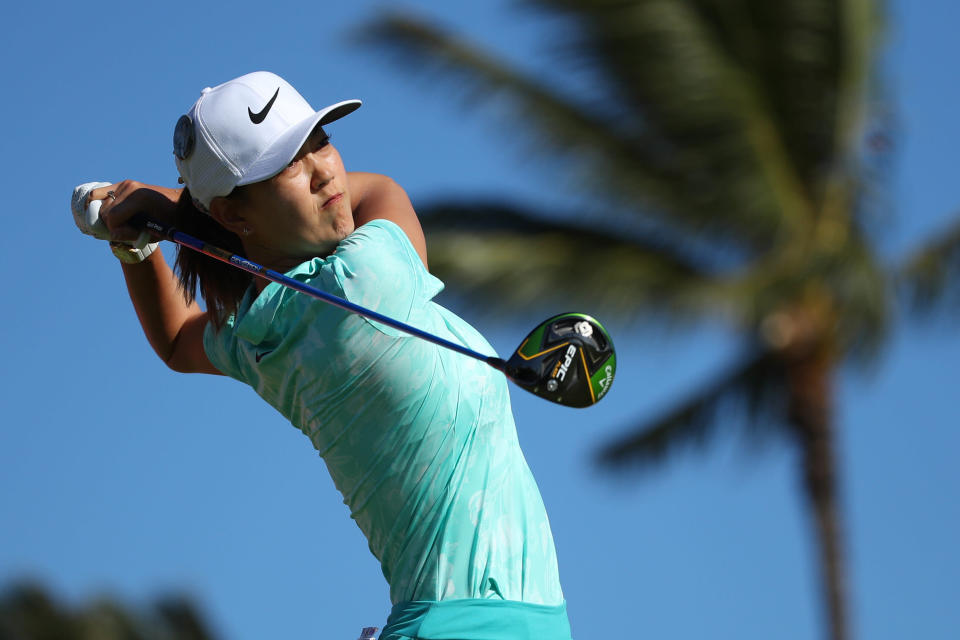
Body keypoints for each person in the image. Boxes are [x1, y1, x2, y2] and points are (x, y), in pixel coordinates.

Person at [74, 71, 572, 640]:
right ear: (234, 216)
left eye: (320, 142)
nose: (324, 172)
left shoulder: (261, 335)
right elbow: (381, 190)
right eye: (288, 164)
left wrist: (136, 245)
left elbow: (174, 340)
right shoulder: (366, 279)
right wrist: (169, 209)